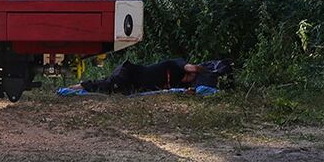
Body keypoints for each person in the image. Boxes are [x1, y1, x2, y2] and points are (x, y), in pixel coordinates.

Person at [76, 57, 230, 94]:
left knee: (106, 86)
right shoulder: (178, 64)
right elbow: (194, 67)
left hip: (133, 85)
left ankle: (77, 87)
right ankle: (74, 88)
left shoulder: (180, 85)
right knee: (106, 86)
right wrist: (206, 71)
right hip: (129, 72)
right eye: (192, 77)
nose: (190, 81)